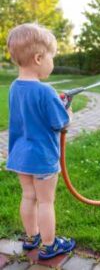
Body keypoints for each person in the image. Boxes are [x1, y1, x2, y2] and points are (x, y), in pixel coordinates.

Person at [5, 23, 76, 260]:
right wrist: (67, 108)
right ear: (38, 58)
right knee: (46, 201)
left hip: (19, 155)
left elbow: (31, 111)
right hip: (42, 157)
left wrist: (56, 102)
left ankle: (31, 237)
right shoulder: (45, 91)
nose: (52, 63)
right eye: (51, 58)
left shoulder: (14, 87)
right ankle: (49, 245)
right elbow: (62, 123)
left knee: (28, 196)